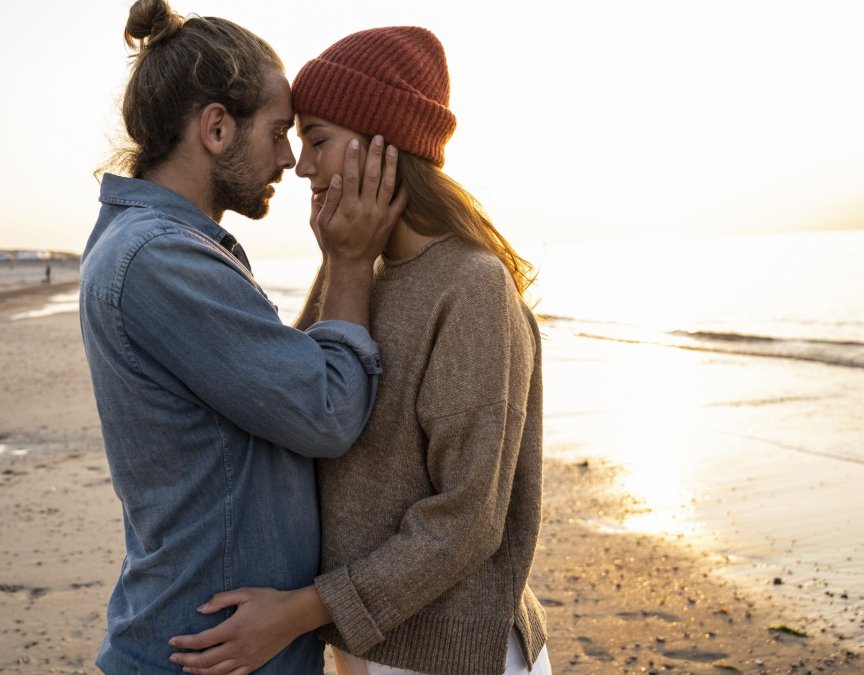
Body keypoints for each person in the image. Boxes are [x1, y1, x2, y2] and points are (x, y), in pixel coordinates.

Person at [169, 26, 551, 675]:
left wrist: (294, 611)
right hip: (362, 646)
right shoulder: (352, 271)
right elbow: (294, 416)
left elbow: (468, 520)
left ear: (384, 145)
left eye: (317, 138)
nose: (303, 165)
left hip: (456, 653)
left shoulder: (471, 286)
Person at [79, 1, 403, 672]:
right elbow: (326, 411)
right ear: (217, 128)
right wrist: (347, 263)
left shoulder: (155, 245)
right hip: (206, 654)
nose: (289, 158)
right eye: (281, 131)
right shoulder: (159, 260)